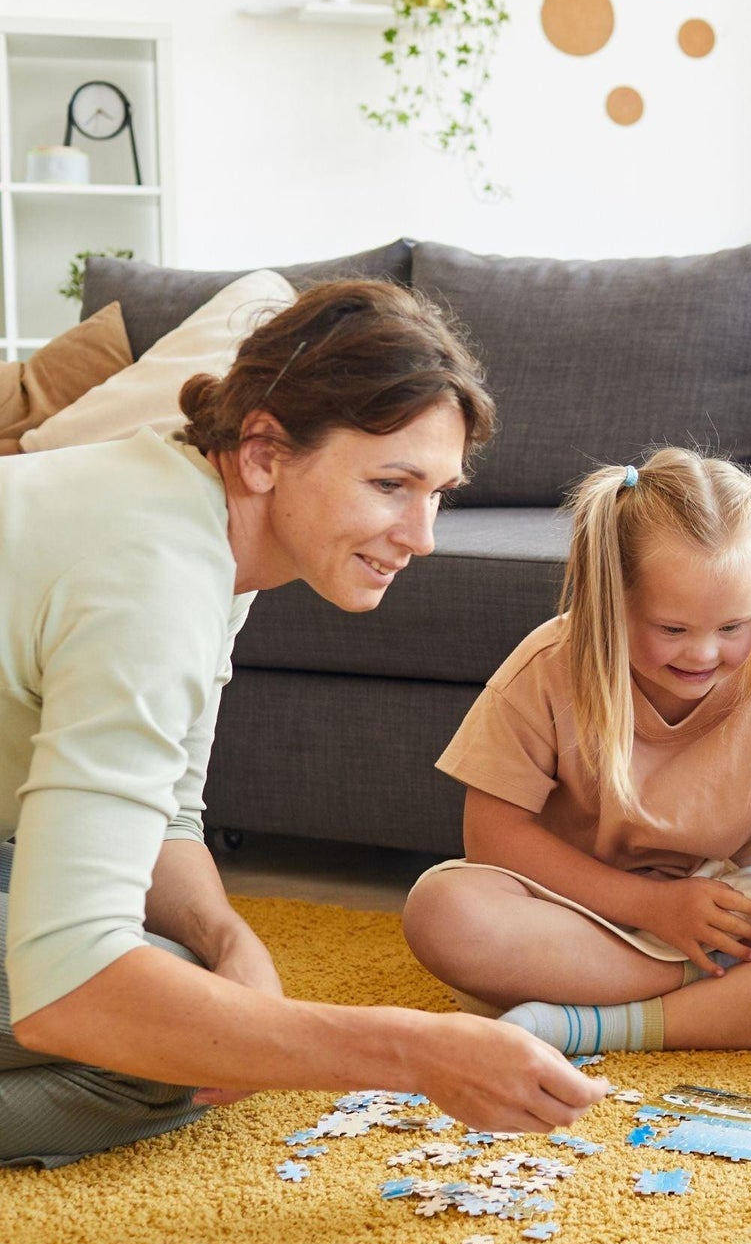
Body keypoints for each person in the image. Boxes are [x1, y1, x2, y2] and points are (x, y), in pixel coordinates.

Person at [1, 279, 603, 1167]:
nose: (423, 535)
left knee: (187, 998)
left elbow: (165, 813)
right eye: (392, 484)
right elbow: (72, 990)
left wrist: (227, 939)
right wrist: (412, 1052)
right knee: (144, 1037)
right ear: (263, 452)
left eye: (437, 491)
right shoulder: (152, 581)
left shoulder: (197, 520)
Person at [401, 446, 751, 1089]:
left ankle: (588, 1025)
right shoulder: (549, 665)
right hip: (571, 908)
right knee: (444, 910)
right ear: (611, 599)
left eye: (733, 625)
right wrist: (654, 907)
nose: (703, 653)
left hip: (724, 906)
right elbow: (492, 837)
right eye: (671, 628)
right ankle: (698, 983)